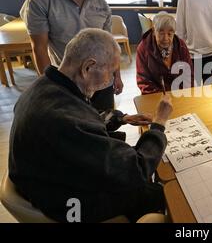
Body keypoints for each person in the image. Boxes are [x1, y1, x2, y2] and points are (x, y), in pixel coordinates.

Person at [8, 28, 173, 223]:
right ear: (88, 67)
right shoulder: (65, 122)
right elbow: (136, 169)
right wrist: (159, 124)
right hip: (67, 203)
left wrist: (121, 118)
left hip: (48, 176)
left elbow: (81, 115)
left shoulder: (45, 85)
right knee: (160, 194)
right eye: (111, 72)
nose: (111, 81)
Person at [20, 0, 122, 112]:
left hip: (101, 80)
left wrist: (116, 76)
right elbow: (39, 49)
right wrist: (51, 89)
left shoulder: (102, 6)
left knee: (105, 126)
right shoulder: (40, 1)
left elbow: (110, 47)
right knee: (76, 129)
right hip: (68, 84)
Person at [136, 12, 193, 94]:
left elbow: (189, 74)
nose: (165, 38)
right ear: (154, 31)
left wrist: (182, 94)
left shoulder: (181, 46)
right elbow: (144, 81)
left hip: (180, 95)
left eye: (170, 33)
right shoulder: (143, 48)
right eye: (161, 33)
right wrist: (163, 97)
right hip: (155, 96)